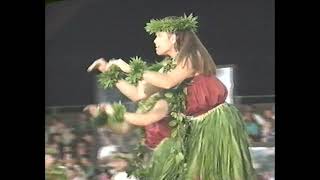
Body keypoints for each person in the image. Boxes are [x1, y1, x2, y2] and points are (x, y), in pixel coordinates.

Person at [87, 14, 256, 180]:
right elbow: (138, 94)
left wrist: (129, 69)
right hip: (195, 128)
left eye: (159, 36)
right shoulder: (165, 69)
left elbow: (168, 82)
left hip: (216, 123)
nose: (154, 41)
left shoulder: (191, 57)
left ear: (174, 38)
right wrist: (108, 71)